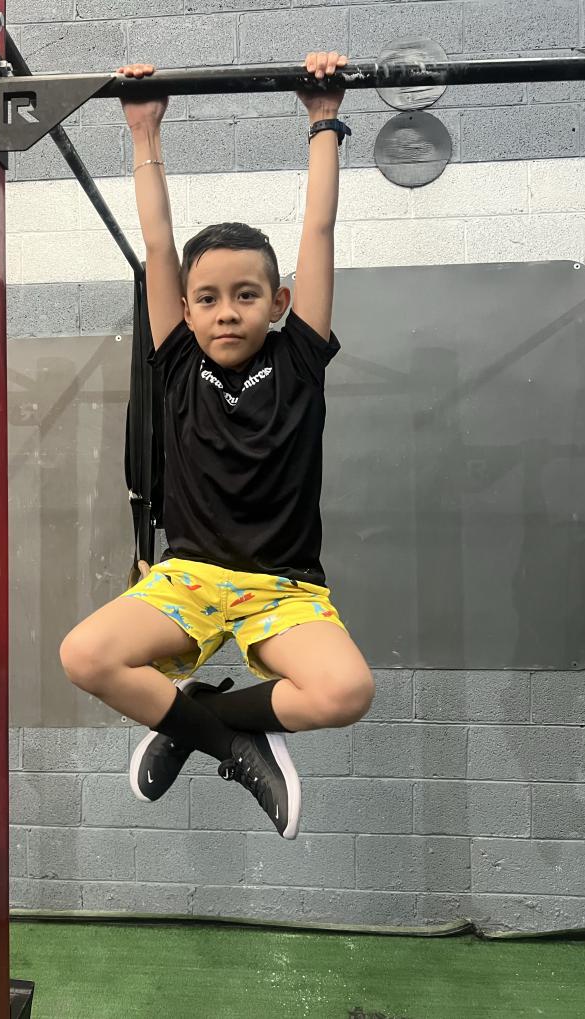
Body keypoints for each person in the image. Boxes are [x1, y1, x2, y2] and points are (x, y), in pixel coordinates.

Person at [60, 51, 375, 840]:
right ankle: (230, 741)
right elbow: (158, 241)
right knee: (85, 655)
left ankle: (196, 717)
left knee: (346, 691)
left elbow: (319, 228)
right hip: (191, 576)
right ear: (186, 309)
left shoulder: (299, 358)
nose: (226, 311)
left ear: (280, 301)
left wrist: (324, 120)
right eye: (206, 298)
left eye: (245, 295)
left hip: (283, 588)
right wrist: (144, 131)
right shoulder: (176, 362)